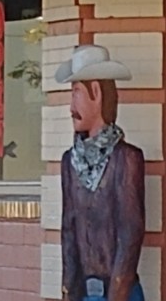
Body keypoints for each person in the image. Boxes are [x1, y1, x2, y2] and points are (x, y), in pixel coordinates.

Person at [55, 44, 145, 301]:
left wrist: (117, 293)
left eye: (76, 94)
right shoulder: (69, 162)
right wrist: (68, 291)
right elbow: (68, 232)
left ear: (96, 92)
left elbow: (130, 235)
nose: (71, 107)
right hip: (84, 291)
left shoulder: (126, 159)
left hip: (118, 293)